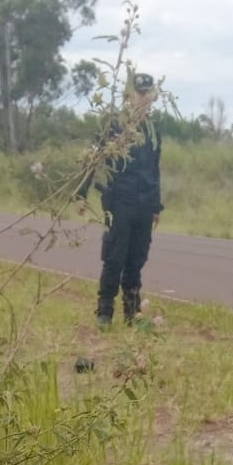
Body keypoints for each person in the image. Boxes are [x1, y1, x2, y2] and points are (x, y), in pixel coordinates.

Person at [78, 71, 163, 329]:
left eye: (148, 94)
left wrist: (156, 205)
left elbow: (154, 168)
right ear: (129, 95)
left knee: (136, 259)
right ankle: (105, 311)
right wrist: (80, 193)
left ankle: (132, 313)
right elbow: (94, 158)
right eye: (139, 93)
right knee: (115, 256)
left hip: (145, 203)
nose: (143, 98)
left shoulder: (153, 128)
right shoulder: (113, 124)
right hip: (120, 200)